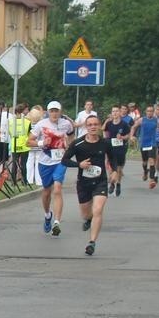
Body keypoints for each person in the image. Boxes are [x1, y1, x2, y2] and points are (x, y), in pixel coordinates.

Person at [61, 115, 118, 256]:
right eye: (90, 124)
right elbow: (64, 160)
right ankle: (88, 219)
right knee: (86, 214)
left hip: (100, 182)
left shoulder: (105, 143)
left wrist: (115, 171)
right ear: (86, 127)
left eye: (95, 124)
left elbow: (112, 158)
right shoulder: (77, 144)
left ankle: (92, 242)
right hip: (84, 183)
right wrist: (79, 164)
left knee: (98, 210)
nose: (93, 127)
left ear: (99, 126)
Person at [27, 101, 74, 236]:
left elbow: (71, 135)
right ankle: (48, 215)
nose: (54, 113)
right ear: (48, 112)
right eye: (52, 111)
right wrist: (42, 142)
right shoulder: (41, 125)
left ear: (60, 112)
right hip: (45, 162)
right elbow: (28, 141)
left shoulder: (66, 124)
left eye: (56, 111)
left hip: (60, 160)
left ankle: (57, 223)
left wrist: (68, 146)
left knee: (58, 188)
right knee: (47, 191)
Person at [130, 104, 159, 189]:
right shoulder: (141, 120)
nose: (150, 113)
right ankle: (145, 171)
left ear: (153, 112)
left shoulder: (157, 121)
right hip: (143, 143)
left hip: (152, 143)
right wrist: (131, 136)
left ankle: (151, 180)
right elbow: (133, 127)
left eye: (151, 111)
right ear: (146, 112)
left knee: (152, 161)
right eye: (148, 111)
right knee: (144, 162)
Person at [102, 106, 130, 196]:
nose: (115, 113)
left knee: (118, 169)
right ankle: (112, 184)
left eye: (117, 111)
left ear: (120, 112)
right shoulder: (109, 124)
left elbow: (128, 135)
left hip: (121, 149)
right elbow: (103, 131)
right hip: (111, 149)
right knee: (111, 168)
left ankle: (118, 184)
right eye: (113, 111)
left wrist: (122, 137)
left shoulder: (124, 124)